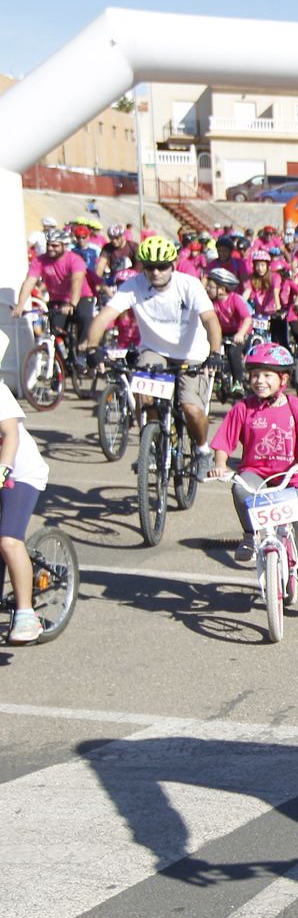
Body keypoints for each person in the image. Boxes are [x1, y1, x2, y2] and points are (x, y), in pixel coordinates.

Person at [85, 236, 225, 476]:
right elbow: (103, 317)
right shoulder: (133, 285)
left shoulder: (189, 285)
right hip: (154, 350)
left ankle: (202, 451)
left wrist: (214, 353)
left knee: (191, 408)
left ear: (173, 264)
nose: (156, 272)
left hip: (191, 353)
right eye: (150, 267)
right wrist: (92, 348)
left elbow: (210, 319)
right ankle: (150, 445)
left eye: (162, 266)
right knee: (145, 397)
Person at [206, 343, 298, 601]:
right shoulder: (244, 408)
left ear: (283, 378)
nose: (259, 381)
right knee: (239, 488)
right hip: (256, 473)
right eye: (255, 375)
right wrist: (220, 464)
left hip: (292, 476)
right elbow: (224, 440)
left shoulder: (296, 407)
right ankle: (250, 534)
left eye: (267, 375)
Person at [0, 381, 50, 645]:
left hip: (19, 472)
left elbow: (10, 435)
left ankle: (26, 615)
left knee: (8, 540)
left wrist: (3, 469)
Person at [15, 230, 92, 358]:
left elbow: (77, 282)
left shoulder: (74, 260)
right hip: (58, 299)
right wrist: (20, 304)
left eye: (55, 246)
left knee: (84, 318)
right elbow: (29, 282)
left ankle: (83, 351)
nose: (50, 248)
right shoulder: (40, 261)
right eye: (48, 245)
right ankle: (61, 362)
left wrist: (72, 303)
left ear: (65, 246)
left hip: (80, 296)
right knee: (54, 330)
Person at [204, 267, 253, 396]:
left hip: (238, 332)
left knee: (233, 352)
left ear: (222, 289)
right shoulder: (210, 302)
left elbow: (247, 318)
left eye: (210, 286)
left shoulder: (235, 299)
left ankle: (238, 382)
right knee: (213, 351)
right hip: (222, 332)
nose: (207, 289)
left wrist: (241, 334)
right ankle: (218, 378)